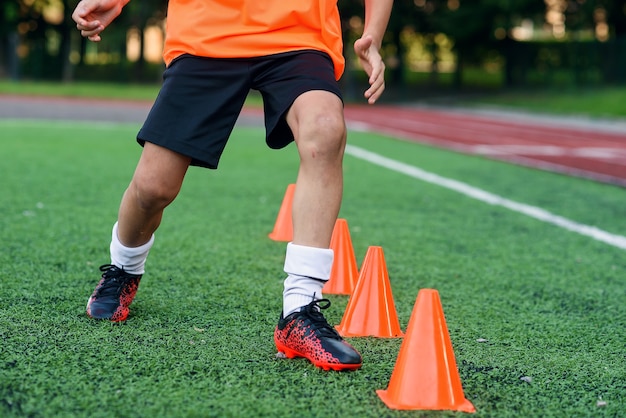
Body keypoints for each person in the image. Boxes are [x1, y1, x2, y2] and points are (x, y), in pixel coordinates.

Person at [72, 0, 393, 371]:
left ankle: (300, 307)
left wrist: (374, 34)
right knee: (154, 188)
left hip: (299, 34)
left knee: (326, 129)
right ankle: (124, 267)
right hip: (208, 33)